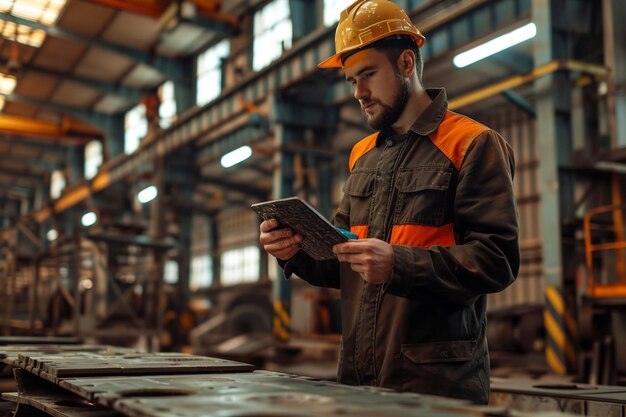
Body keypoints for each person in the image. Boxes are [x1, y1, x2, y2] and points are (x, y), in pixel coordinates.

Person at [259, 0, 519, 404]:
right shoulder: (363, 156)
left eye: (368, 75)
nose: (359, 93)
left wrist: (397, 264)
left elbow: (496, 260)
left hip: (436, 386)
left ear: (405, 63)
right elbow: (343, 261)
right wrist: (294, 252)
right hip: (358, 379)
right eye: (351, 81)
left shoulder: (471, 144)